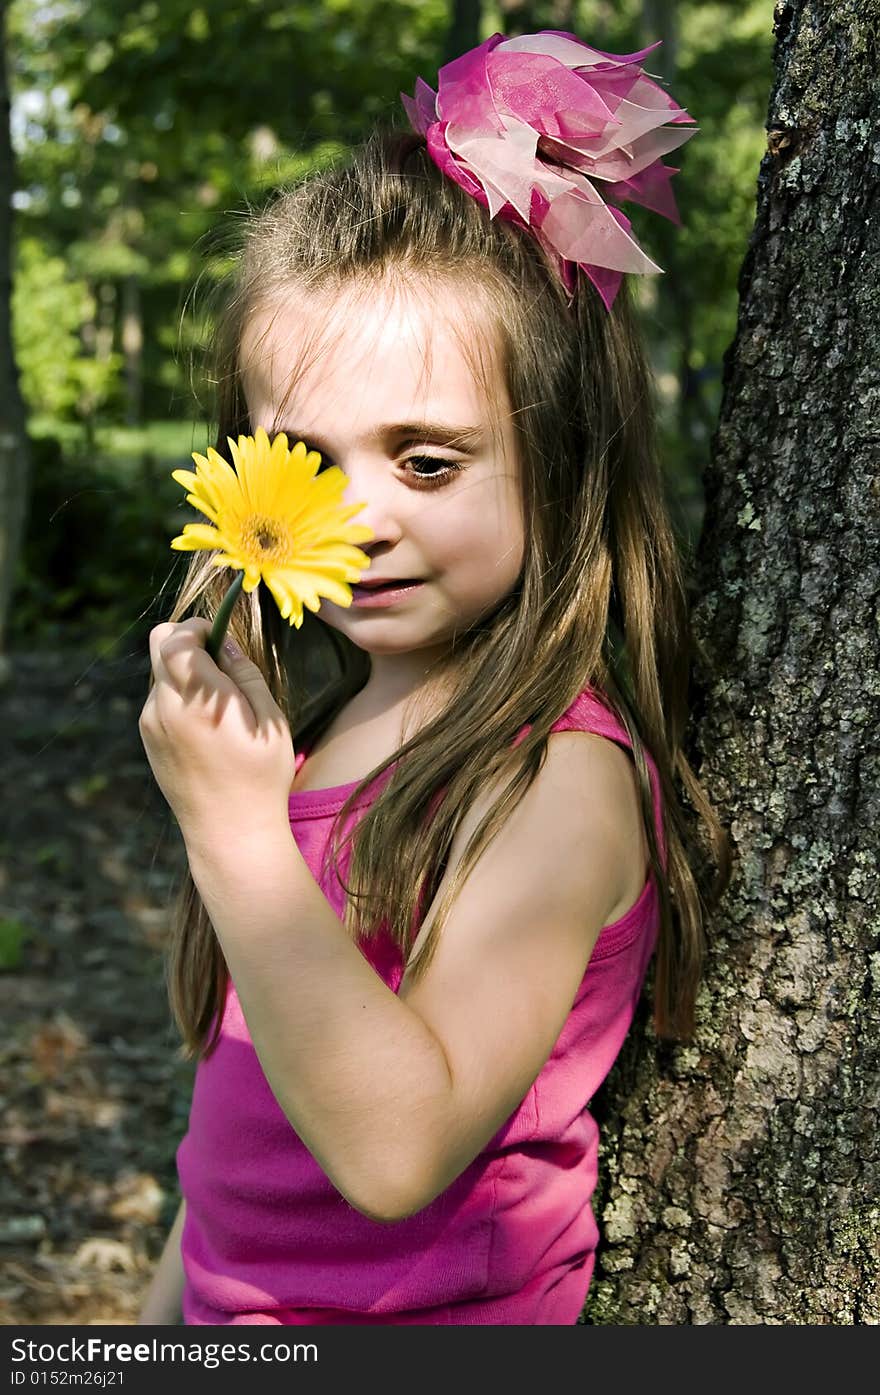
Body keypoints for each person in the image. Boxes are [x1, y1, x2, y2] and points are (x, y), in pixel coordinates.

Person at [137, 30, 731, 1326]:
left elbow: (395, 1155)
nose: (360, 520)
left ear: (555, 458)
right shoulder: (325, 727)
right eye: (307, 459)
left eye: (427, 461)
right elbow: (248, 1112)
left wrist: (235, 835)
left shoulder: (553, 776)